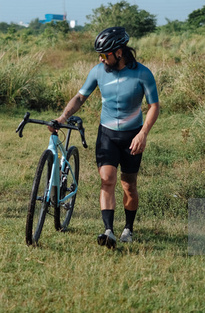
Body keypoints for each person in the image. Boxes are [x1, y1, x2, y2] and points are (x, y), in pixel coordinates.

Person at [51, 26, 159, 248]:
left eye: (104, 54)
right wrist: (63, 117)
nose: (101, 59)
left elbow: (154, 106)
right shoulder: (98, 71)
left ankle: (128, 228)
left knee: (128, 185)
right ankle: (108, 230)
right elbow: (80, 97)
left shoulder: (142, 73)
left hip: (132, 136)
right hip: (107, 135)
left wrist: (143, 134)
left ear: (119, 52)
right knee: (107, 180)